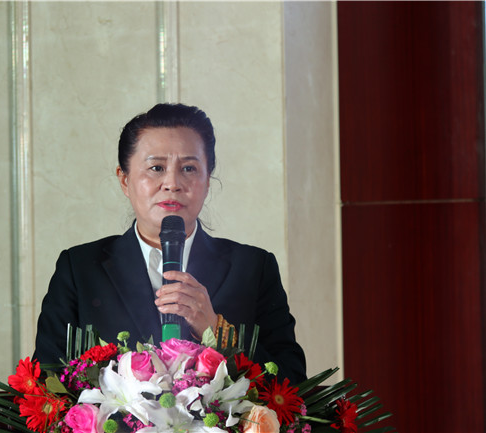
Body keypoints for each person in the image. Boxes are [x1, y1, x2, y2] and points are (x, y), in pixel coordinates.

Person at [33, 103, 306, 383]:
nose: (172, 183)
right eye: (156, 168)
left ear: (207, 181)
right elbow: (45, 383)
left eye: (189, 168)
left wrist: (216, 330)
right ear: (125, 180)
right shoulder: (80, 270)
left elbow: (292, 382)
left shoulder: (252, 268)